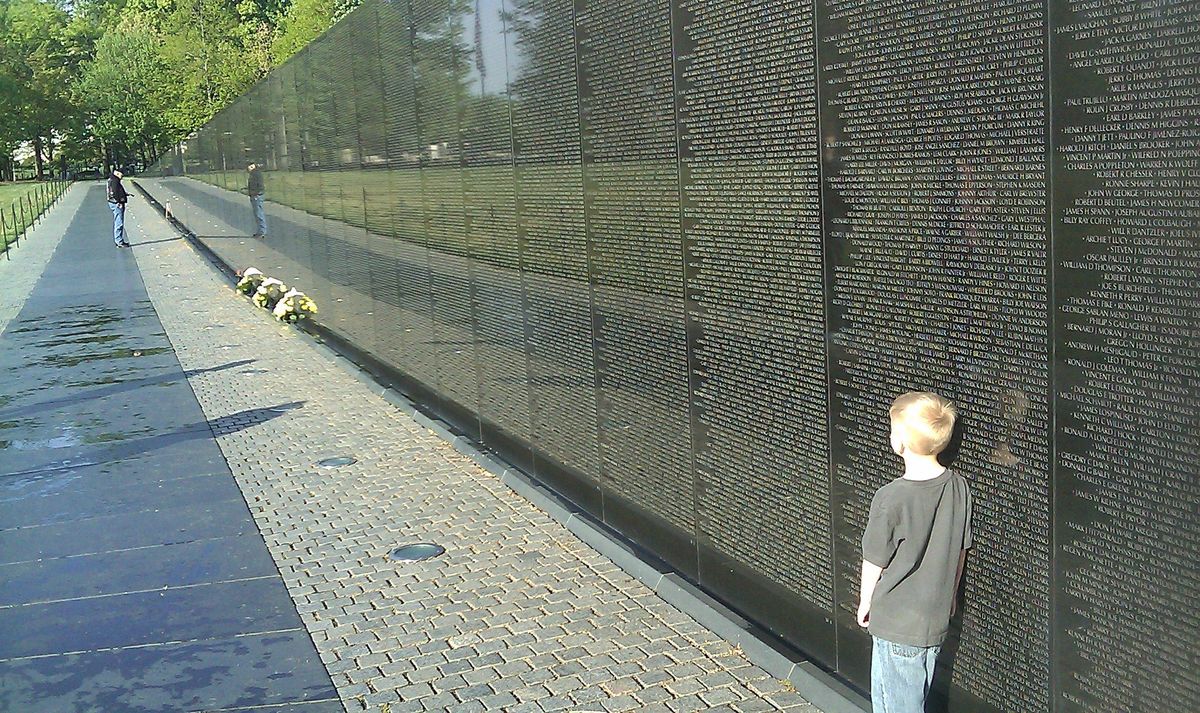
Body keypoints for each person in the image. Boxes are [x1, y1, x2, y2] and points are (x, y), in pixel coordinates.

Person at [858, 391, 972, 713]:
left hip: (895, 618)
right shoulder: (958, 487)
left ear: (902, 442)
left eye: (893, 429)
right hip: (932, 618)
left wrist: (866, 600)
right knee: (892, 698)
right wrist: (950, 594)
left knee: (898, 703)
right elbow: (961, 549)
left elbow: (874, 559)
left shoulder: (891, 497)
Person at [107, 169, 130, 248]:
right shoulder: (115, 181)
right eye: (121, 175)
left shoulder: (111, 179)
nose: (122, 177)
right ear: (117, 173)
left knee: (118, 220)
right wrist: (119, 201)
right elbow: (114, 192)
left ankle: (119, 240)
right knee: (119, 222)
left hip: (113, 202)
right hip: (116, 203)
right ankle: (119, 241)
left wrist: (124, 194)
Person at [247, 163, 267, 238]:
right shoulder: (254, 173)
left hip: (256, 195)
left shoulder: (255, 174)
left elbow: (259, 186)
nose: (249, 168)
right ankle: (260, 230)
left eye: (251, 166)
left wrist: (255, 193)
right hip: (255, 195)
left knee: (258, 213)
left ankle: (262, 231)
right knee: (257, 213)